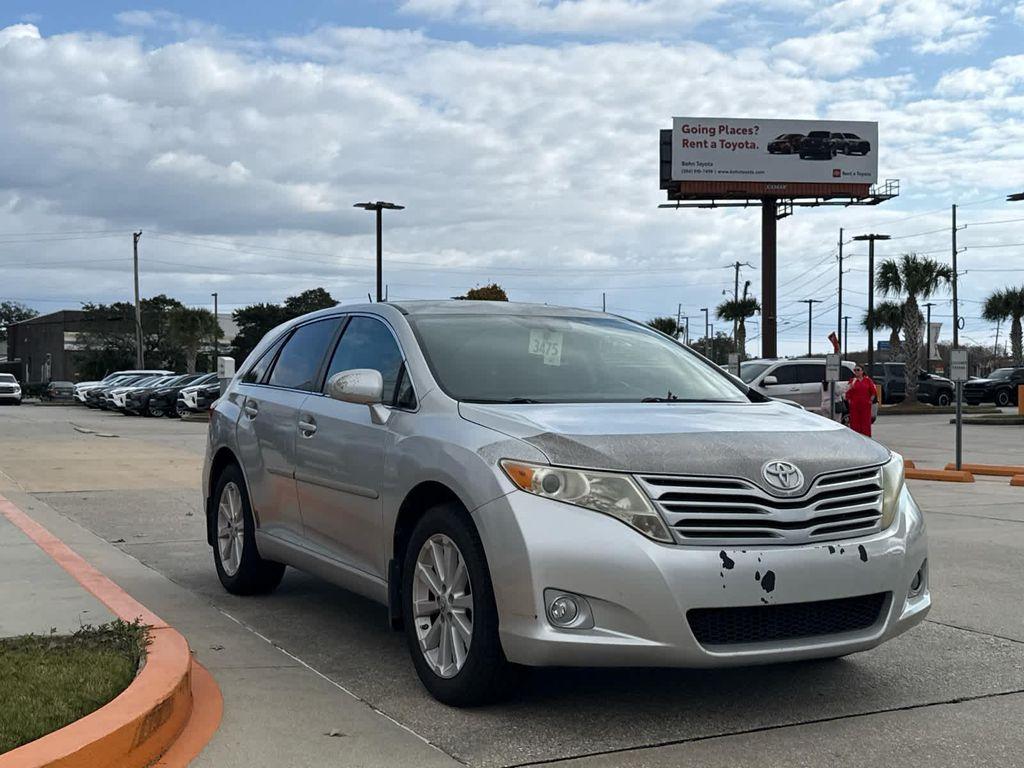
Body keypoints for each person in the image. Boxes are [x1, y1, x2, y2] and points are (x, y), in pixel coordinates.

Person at [844, 365, 876, 437]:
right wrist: (850, 401)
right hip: (854, 405)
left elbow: (873, 392)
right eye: (855, 370)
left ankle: (867, 437)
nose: (856, 372)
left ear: (862, 371)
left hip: (865, 405)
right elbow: (847, 392)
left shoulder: (868, 380)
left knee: (865, 422)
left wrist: (870, 400)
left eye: (858, 370)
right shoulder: (852, 381)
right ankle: (856, 437)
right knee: (855, 422)